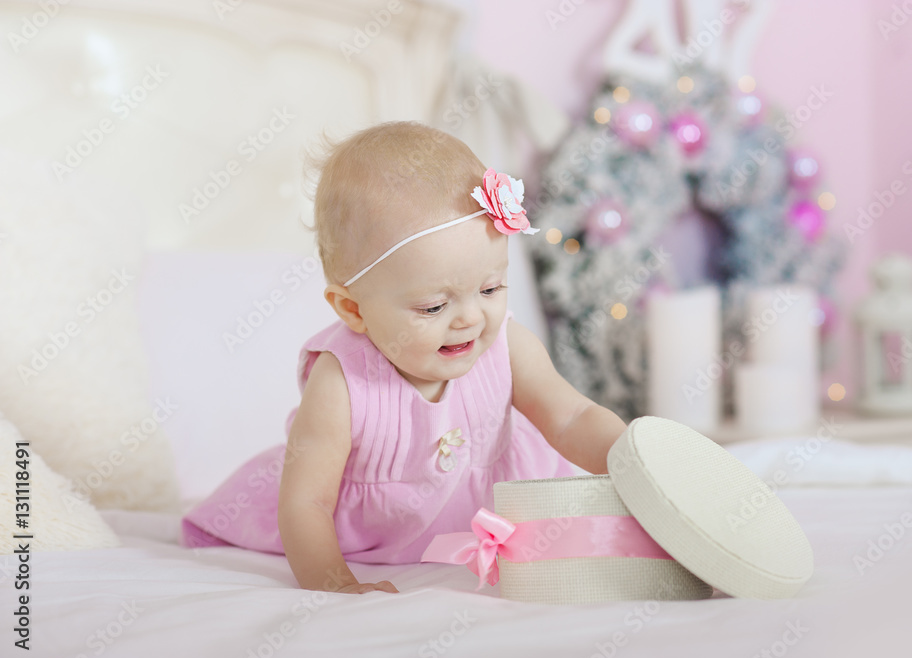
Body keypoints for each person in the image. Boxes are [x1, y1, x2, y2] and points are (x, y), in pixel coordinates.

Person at [180, 121, 628, 594]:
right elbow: (306, 503)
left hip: (486, 512)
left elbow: (572, 417)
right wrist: (338, 586)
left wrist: (634, 463)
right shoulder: (340, 384)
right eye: (434, 306)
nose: (471, 319)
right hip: (362, 541)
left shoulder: (508, 346)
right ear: (353, 309)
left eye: (491, 288)